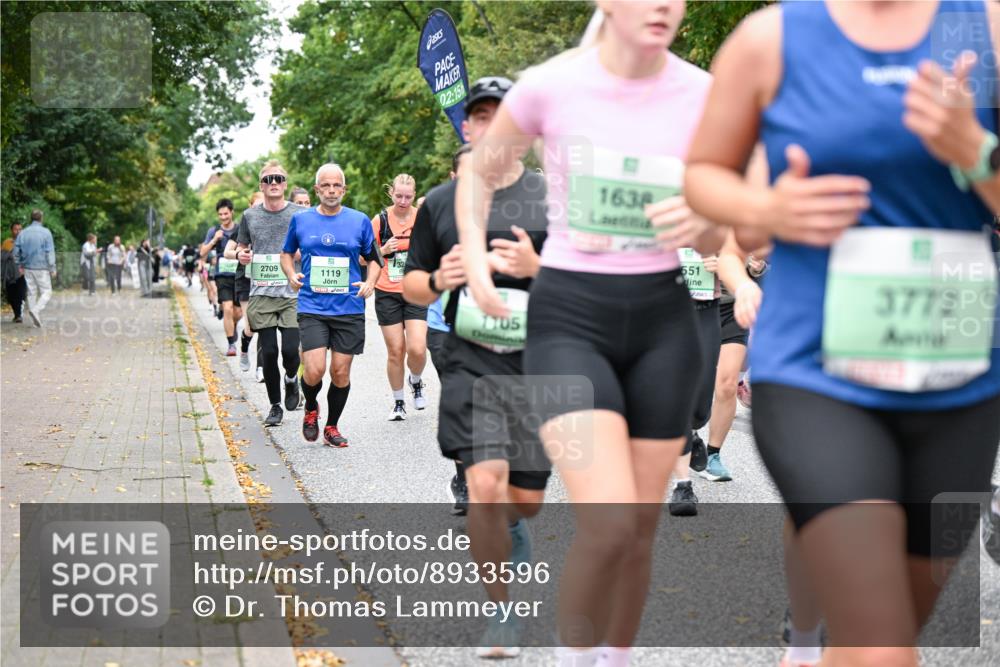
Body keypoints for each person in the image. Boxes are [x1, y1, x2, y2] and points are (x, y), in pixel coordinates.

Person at [684, 2, 1000, 665]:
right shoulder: (769, 40)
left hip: (961, 378)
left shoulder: (989, 28)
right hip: (813, 370)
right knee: (882, 640)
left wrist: (977, 154)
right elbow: (704, 179)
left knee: (879, 634)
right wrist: (765, 208)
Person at [455, 4, 726, 663]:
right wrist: (476, 264)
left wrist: (700, 213)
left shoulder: (703, 93)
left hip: (666, 323)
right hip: (570, 320)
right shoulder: (554, 83)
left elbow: (722, 231)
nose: (664, 6)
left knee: (637, 529)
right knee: (606, 525)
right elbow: (477, 172)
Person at [407, 76, 552, 658]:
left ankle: (513, 529)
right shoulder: (441, 203)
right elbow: (411, 283)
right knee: (484, 487)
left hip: (540, 366)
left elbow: (593, 282)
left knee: (525, 501)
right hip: (470, 361)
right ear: (468, 127)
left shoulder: (552, 196)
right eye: (482, 116)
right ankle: (501, 612)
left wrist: (538, 265)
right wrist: (442, 278)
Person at [283, 162, 381, 447]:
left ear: (344, 189)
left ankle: (332, 426)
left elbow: (375, 259)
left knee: (340, 372)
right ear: (317, 189)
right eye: (325, 185)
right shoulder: (301, 220)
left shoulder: (359, 220)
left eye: (336, 185)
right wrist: (291, 274)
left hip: (349, 308)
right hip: (313, 305)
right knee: (314, 370)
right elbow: (286, 254)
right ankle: (311, 406)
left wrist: (370, 282)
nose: (331, 190)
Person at [230, 160, 306, 426]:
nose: (273, 183)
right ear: (261, 185)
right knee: (269, 352)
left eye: (278, 179)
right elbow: (240, 248)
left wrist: (301, 253)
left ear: (285, 184)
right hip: (261, 292)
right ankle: (275, 405)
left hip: (292, 292)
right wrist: (242, 255)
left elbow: (310, 245)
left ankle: (291, 379)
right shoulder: (250, 215)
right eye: (268, 180)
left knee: (289, 350)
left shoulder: (299, 213)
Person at [372, 173, 429, 421]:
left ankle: (415, 380)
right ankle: (398, 402)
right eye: (398, 196)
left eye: (408, 196)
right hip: (387, 291)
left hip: (415, 290)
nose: (403, 201)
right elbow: (365, 255)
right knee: (396, 351)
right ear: (391, 193)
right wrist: (383, 250)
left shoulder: (423, 218)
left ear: (414, 195)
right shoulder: (380, 220)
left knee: (417, 348)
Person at [201, 199, 245, 356]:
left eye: (226, 213)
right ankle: (231, 344)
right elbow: (202, 252)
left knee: (238, 313)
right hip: (222, 276)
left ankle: (231, 327)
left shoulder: (241, 229)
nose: (223, 217)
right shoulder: (214, 231)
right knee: (227, 308)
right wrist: (214, 240)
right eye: (220, 214)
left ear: (232, 212)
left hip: (240, 275)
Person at [14, 209, 57, 328]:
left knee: (32, 293)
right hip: (42, 267)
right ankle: (36, 310)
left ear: (31, 218)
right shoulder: (46, 232)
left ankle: (35, 321)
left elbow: (16, 251)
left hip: (27, 267)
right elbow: (50, 251)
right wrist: (52, 267)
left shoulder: (23, 233)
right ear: (41, 218)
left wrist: (19, 265)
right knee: (47, 291)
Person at [2, 222, 27, 322]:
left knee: (21, 293)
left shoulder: (26, 242)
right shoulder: (7, 242)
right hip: (9, 274)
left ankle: (18, 315)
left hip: (22, 273)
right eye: (16, 229)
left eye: (20, 229)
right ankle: (17, 314)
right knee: (11, 295)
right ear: (11, 230)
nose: (18, 231)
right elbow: (2, 257)